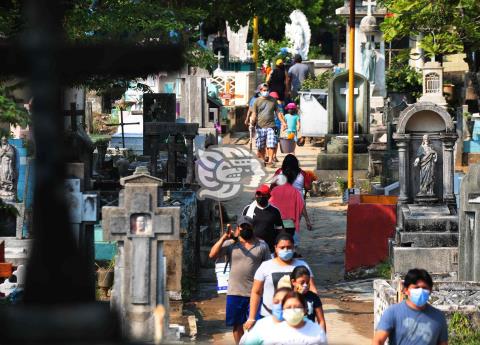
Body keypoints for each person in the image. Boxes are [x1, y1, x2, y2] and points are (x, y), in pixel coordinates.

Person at [209, 216, 271, 344]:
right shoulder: (231, 244)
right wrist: (224, 238)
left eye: (248, 226)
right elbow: (212, 255)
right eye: (243, 226)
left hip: (256, 294)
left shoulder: (262, 245)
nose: (245, 228)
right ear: (238, 228)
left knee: (255, 326)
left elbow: (269, 269)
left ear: (253, 228)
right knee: (237, 326)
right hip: (235, 292)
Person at [245, 233, 317, 330]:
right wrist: (251, 318)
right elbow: (256, 292)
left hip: (295, 317)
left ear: (294, 247)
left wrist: (313, 310)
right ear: (275, 248)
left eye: (289, 247)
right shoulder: (265, 266)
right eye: (282, 247)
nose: (286, 250)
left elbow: (312, 289)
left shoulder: (302, 265)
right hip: (269, 316)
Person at [373, 268, 448, 345]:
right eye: (416, 287)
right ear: (406, 290)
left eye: (424, 288)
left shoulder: (439, 317)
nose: (421, 291)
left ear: (430, 290)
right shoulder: (393, 312)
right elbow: (378, 341)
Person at [262, 291, 328, 345]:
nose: (293, 310)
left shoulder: (317, 332)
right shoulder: (274, 333)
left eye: (297, 307)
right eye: (288, 307)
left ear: (305, 310)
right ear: (282, 310)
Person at [250, 84, 286, 166]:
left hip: (271, 126)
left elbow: (278, 112)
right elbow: (254, 113)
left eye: (267, 90)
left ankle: (270, 160)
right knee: (261, 146)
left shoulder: (273, 100)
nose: (266, 92)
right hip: (260, 126)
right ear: (260, 91)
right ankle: (263, 159)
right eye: (264, 90)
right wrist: (252, 122)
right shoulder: (257, 101)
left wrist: (283, 122)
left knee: (271, 143)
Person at [243, 184, 284, 253]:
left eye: (263, 194)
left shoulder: (275, 211)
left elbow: (280, 229)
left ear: (268, 196)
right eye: (258, 194)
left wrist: (279, 244)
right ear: (255, 195)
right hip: (251, 248)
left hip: (269, 249)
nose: (260, 196)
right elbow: (241, 228)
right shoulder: (247, 209)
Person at [290, 266, 326, 332]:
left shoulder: (314, 297)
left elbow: (321, 321)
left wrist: (322, 338)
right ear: (293, 282)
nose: (305, 285)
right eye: (302, 282)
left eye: (307, 282)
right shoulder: (287, 298)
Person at [269, 91, 284, 163]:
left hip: (276, 126)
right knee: (272, 141)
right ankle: (271, 156)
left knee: (274, 141)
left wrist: (284, 123)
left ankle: (273, 156)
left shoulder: (278, 105)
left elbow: (281, 115)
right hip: (271, 125)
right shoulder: (278, 105)